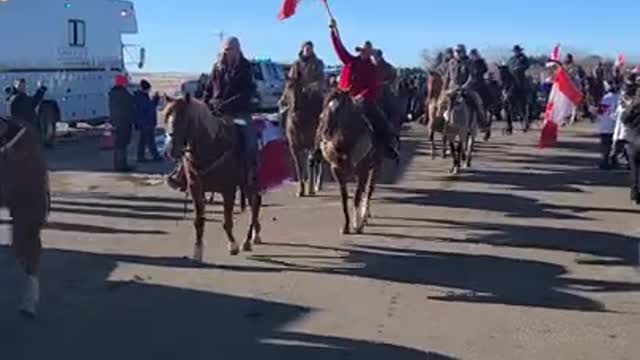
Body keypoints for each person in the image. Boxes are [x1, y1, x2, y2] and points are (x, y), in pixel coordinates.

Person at [325, 18, 399, 160]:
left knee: (381, 121)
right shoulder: (350, 60)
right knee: (327, 114)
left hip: (363, 100)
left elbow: (372, 87)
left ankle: (387, 147)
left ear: (369, 53)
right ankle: (318, 147)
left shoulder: (372, 69)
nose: (363, 53)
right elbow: (339, 49)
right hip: (344, 96)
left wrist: (361, 96)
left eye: (366, 51)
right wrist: (333, 32)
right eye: (362, 50)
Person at [442, 44, 488, 130]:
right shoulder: (451, 62)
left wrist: (465, 86)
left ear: (464, 52)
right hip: (452, 88)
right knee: (440, 103)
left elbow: (472, 76)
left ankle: (482, 123)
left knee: (477, 101)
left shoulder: (469, 62)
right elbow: (447, 76)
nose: (458, 53)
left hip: (467, 88)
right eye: (456, 52)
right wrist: (444, 88)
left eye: (460, 52)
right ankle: (438, 124)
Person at [109, 75, 137, 172]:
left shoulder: (113, 93)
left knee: (119, 144)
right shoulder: (123, 94)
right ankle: (122, 165)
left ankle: (118, 165)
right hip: (124, 121)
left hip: (117, 121)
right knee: (122, 144)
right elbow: (130, 106)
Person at [134, 79, 162, 162]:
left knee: (144, 141)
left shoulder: (142, 96)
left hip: (146, 122)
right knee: (149, 141)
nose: (149, 91)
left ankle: (142, 157)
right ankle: (154, 156)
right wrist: (155, 100)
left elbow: (149, 107)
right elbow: (149, 108)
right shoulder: (141, 98)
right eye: (148, 89)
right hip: (146, 122)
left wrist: (154, 100)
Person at [594, 84, 619, 169]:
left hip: (605, 124)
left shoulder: (606, 98)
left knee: (605, 145)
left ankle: (605, 161)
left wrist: (598, 118)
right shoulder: (620, 98)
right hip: (616, 125)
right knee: (615, 144)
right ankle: (614, 160)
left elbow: (601, 112)